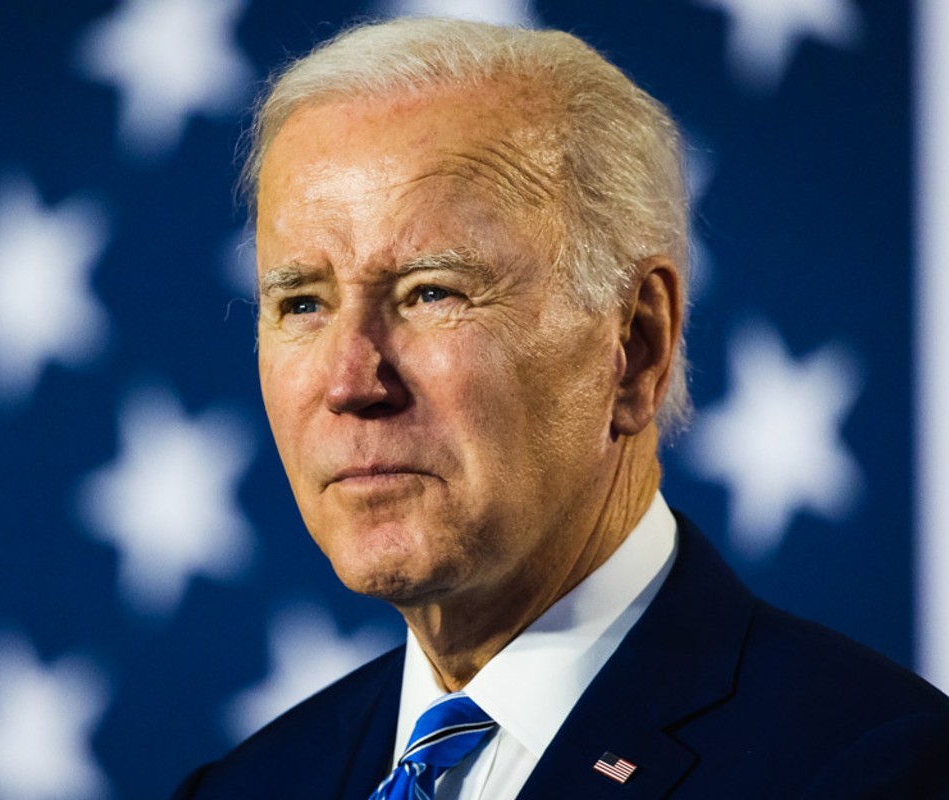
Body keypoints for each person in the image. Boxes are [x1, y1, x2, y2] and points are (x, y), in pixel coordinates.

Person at [172, 16, 949, 800]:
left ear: (636, 345)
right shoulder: (244, 787)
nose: (350, 382)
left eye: (432, 292)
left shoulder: (876, 772)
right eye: (303, 303)